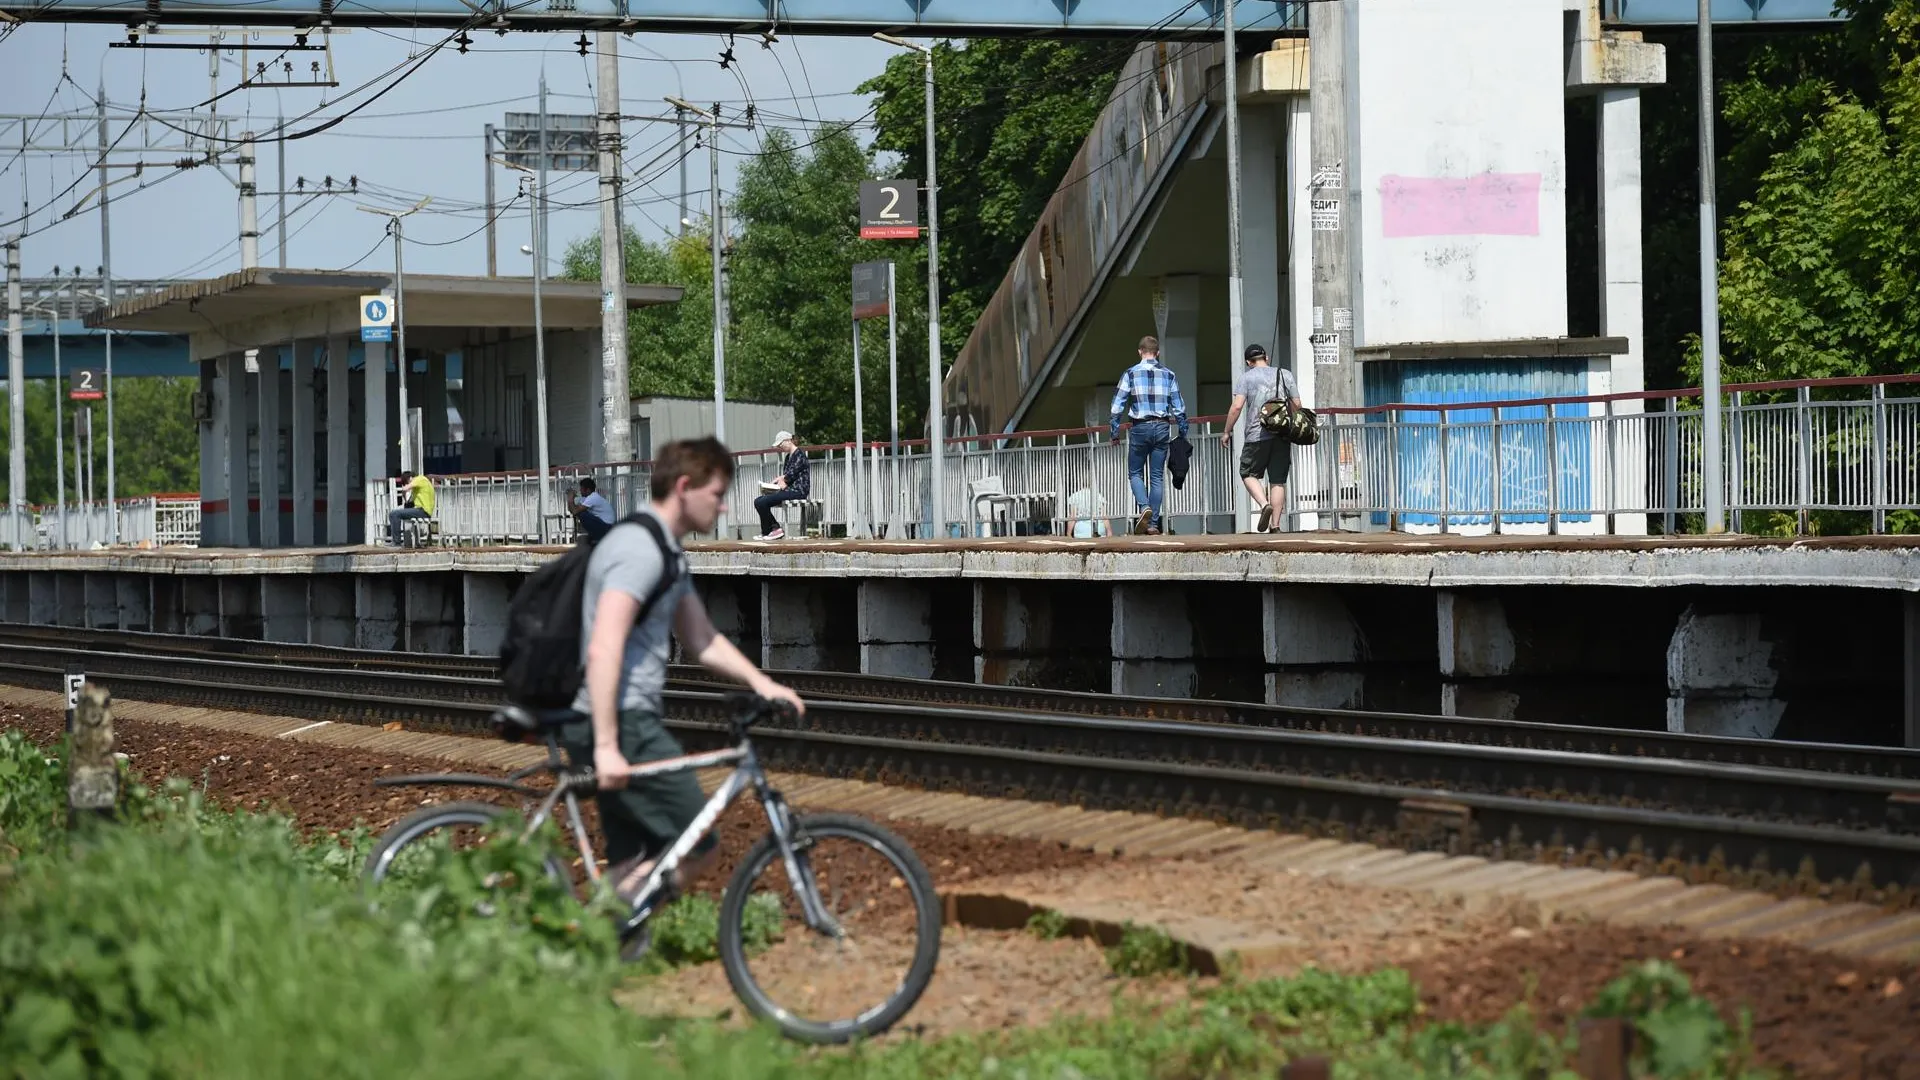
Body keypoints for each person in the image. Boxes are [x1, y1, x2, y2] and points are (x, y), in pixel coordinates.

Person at [565, 436, 805, 906]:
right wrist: (609, 746)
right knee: (699, 846)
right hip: (618, 719)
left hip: (617, 716)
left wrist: (763, 683)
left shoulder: (666, 551)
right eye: (715, 495)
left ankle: (603, 938)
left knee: (634, 859)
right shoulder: (640, 550)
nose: (722, 507)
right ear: (683, 488)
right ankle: (611, 926)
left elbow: (702, 639)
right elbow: (605, 645)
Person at [1107, 335, 1188, 535]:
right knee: (1157, 477)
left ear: (1139, 352)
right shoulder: (1169, 375)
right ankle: (1152, 525)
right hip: (1162, 427)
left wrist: (1114, 431)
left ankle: (1144, 507)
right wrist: (1183, 431)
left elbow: (1117, 406)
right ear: (1157, 353)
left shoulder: (1130, 374)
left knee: (1135, 473)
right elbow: (1179, 408)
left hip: (1140, 427)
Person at [1219, 343, 1301, 533]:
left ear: (1249, 362)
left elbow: (1237, 407)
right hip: (1281, 434)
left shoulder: (1246, 378)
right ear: (1266, 358)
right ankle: (1276, 526)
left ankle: (1264, 505)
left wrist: (1226, 431)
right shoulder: (1285, 374)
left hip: (1256, 435)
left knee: (1247, 472)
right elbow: (1297, 404)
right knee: (1278, 480)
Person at [752, 431, 811, 541]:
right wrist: (778, 482)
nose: (780, 447)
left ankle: (775, 529)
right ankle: (767, 531)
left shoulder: (800, 455)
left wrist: (782, 479)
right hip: (788, 490)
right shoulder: (789, 457)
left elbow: (791, 474)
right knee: (758, 501)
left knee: (763, 502)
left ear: (788, 441)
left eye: (780, 444)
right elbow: (786, 476)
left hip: (798, 491)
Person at [387, 470, 434, 545]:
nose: (408, 484)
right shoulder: (421, 484)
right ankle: (405, 540)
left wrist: (404, 493)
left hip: (422, 510)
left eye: (407, 482)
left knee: (394, 514)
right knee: (397, 512)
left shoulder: (419, 479)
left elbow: (405, 489)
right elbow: (411, 501)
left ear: (410, 478)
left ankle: (396, 542)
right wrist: (406, 502)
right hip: (423, 510)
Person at [573, 476, 616, 543]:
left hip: (607, 527)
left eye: (581, 489)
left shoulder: (593, 497)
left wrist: (570, 500)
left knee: (583, 514)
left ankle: (598, 538)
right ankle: (596, 537)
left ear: (588, 490)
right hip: (605, 526)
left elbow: (575, 511)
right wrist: (571, 499)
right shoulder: (586, 498)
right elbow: (573, 508)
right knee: (581, 512)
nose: (580, 491)